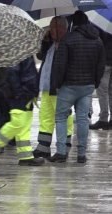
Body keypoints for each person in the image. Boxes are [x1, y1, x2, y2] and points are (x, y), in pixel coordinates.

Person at [51, 11, 105, 164]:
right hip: (87, 86)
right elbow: (100, 65)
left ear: (73, 24)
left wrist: (57, 84)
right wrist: (95, 82)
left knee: (61, 117)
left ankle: (61, 152)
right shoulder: (97, 40)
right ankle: (81, 154)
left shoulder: (67, 39)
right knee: (82, 119)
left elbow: (60, 66)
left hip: (68, 86)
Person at [32, 16, 74, 160]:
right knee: (45, 117)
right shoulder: (51, 43)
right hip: (46, 86)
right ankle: (43, 147)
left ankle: (64, 147)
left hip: (60, 88)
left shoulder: (67, 43)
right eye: (50, 26)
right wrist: (45, 40)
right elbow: (40, 55)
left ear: (62, 28)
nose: (51, 29)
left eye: (53, 27)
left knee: (63, 117)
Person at [0, 56, 45, 166]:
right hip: (21, 95)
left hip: (25, 94)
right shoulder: (20, 55)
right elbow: (13, 74)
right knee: (17, 123)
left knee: (24, 126)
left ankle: (26, 157)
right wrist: (20, 93)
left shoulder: (22, 53)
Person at [91, 29, 112, 130]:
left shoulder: (102, 24)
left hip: (105, 61)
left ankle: (103, 119)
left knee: (102, 91)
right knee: (110, 92)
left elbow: (97, 41)